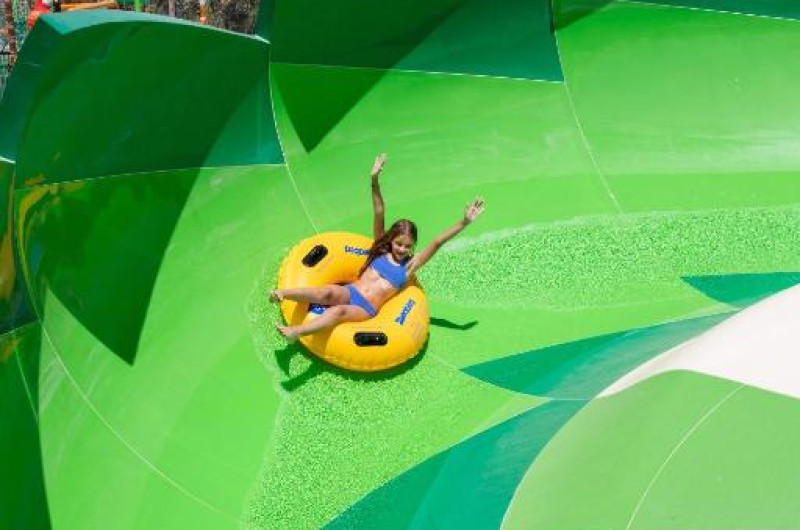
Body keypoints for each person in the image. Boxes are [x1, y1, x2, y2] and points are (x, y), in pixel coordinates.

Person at [272, 153, 484, 341]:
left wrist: (464, 222)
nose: (402, 249)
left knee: (337, 313)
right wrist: (374, 180)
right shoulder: (381, 249)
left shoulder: (410, 265)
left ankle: (296, 332)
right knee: (326, 293)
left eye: (407, 246)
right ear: (391, 240)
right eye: (399, 243)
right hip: (351, 291)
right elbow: (379, 211)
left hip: (366, 308)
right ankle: (283, 293)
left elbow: (437, 242)